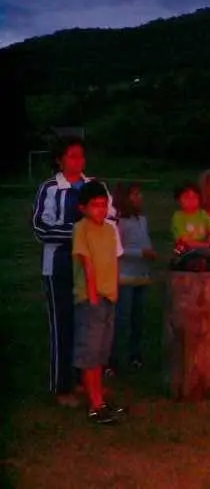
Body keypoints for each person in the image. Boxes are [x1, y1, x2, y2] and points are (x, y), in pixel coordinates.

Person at [31, 136, 116, 407]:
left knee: (89, 326)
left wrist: (93, 235)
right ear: (59, 159)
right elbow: (41, 228)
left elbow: (111, 219)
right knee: (63, 325)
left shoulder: (96, 187)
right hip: (59, 266)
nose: (77, 161)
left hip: (94, 269)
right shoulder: (51, 189)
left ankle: (87, 382)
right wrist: (81, 234)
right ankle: (62, 385)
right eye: (71, 156)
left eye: (81, 156)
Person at [72, 181, 126, 424]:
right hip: (91, 299)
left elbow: (114, 261)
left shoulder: (110, 229)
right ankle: (95, 404)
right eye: (95, 206)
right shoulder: (81, 229)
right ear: (83, 208)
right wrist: (92, 294)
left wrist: (115, 288)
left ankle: (100, 398)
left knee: (102, 351)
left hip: (109, 297)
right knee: (90, 352)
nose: (100, 210)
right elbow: (87, 263)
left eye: (104, 205)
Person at [109, 182, 156, 375]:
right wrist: (140, 253)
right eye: (135, 195)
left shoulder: (141, 220)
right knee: (122, 320)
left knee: (138, 320)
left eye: (140, 194)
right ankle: (113, 360)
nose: (140, 198)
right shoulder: (119, 222)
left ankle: (135, 356)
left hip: (141, 276)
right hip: (124, 277)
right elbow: (117, 250)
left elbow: (145, 241)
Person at [170, 181, 210, 271]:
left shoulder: (202, 214)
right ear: (178, 200)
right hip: (185, 250)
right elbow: (186, 241)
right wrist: (206, 245)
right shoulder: (178, 217)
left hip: (204, 249)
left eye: (195, 197)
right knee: (189, 257)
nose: (191, 201)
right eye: (186, 197)